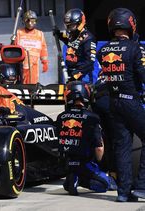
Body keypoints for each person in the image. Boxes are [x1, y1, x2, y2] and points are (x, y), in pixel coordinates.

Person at [97, 8, 145, 202]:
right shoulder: (135, 48)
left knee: (122, 146)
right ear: (131, 25)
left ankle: (123, 192)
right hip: (130, 101)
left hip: (113, 103)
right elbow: (142, 75)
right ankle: (141, 186)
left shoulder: (103, 50)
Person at [56, 81, 117, 196]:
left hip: (67, 164)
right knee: (107, 185)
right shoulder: (92, 118)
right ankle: (81, 179)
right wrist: (101, 163)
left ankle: (72, 178)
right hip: (85, 164)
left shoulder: (60, 117)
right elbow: (99, 149)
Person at [53, 8, 96, 83]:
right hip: (71, 73)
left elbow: (90, 61)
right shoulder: (72, 35)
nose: (69, 28)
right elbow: (71, 43)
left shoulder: (88, 38)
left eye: (71, 25)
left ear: (80, 23)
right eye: (67, 26)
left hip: (83, 76)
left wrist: (77, 73)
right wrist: (59, 35)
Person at [14, 10, 48, 84]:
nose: (30, 23)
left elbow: (43, 49)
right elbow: (14, 48)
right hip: (20, 66)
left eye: (32, 21)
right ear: (24, 21)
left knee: (32, 86)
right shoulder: (19, 33)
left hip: (33, 66)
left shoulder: (40, 34)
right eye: (28, 21)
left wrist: (45, 62)